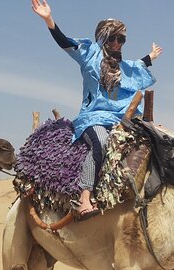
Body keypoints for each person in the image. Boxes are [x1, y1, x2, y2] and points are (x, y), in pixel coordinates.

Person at [31, 0, 162, 220]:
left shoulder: (124, 67)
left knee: (155, 139)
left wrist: (150, 57)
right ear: (102, 38)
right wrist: (49, 20)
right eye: (113, 38)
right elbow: (65, 42)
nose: (118, 43)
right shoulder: (89, 54)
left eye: (121, 39)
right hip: (94, 117)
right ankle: (84, 197)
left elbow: (136, 67)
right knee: (101, 144)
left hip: (121, 118)